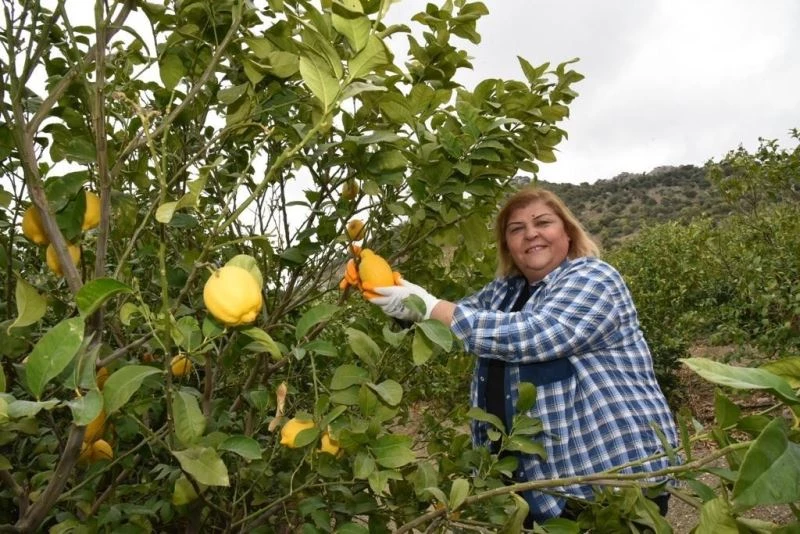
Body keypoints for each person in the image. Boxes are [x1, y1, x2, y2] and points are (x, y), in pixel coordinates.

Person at [368, 186, 680, 525]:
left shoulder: (594, 277)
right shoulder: (505, 291)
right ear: (507, 245)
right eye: (516, 229)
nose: (530, 233)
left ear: (567, 231)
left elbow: (534, 334)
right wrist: (398, 296)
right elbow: (450, 324)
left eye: (542, 222)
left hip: (609, 483)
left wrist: (428, 305)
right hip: (533, 490)